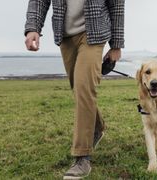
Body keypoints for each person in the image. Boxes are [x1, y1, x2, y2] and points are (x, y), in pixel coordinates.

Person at [24, 0, 125, 179]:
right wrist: (33, 28)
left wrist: (116, 44)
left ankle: (82, 157)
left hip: (94, 33)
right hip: (66, 36)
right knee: (78, 89)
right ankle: (97, 127)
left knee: (84, 88)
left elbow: (116, 4)